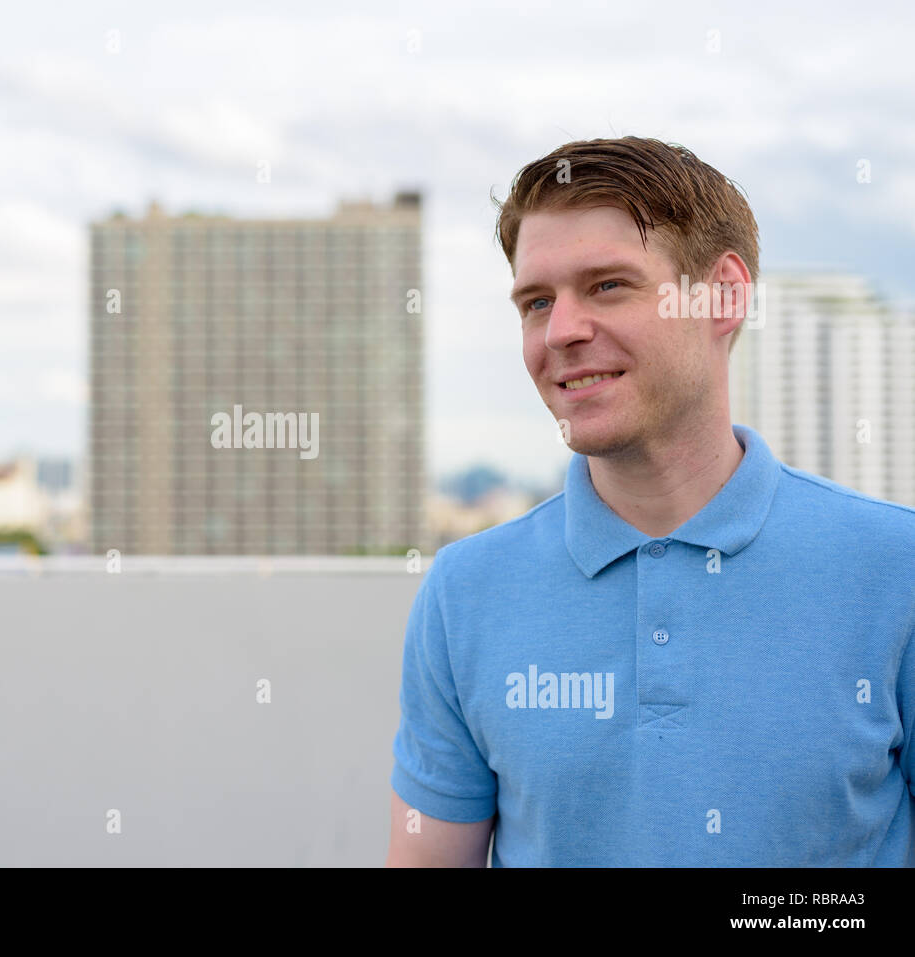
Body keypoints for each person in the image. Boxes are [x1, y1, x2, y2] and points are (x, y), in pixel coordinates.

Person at [386, 136, 915, 867]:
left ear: (724, 296)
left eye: (607, 285)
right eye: (536, 301)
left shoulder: (896, 569)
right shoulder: (463, 593)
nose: (562, 330)